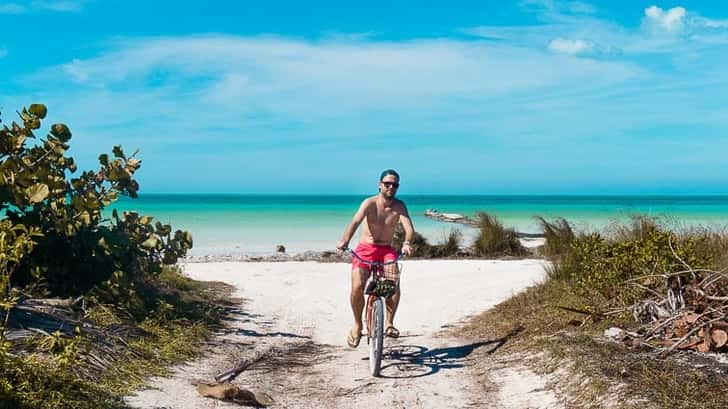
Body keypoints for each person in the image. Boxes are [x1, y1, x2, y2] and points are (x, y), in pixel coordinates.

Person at [336, 169, 414, 348]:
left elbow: (409, 227)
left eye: (394, 185)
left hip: (386, 250)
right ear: (380, 185)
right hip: (366, 249)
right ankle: (357, 325)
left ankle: (389, 323)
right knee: (357, 286)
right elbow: (355, 222)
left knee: (393, 282)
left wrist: (407, 242)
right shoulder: (369, 203)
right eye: (387, 184)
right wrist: (345, 240)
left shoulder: (399, 206)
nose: (391, 187)